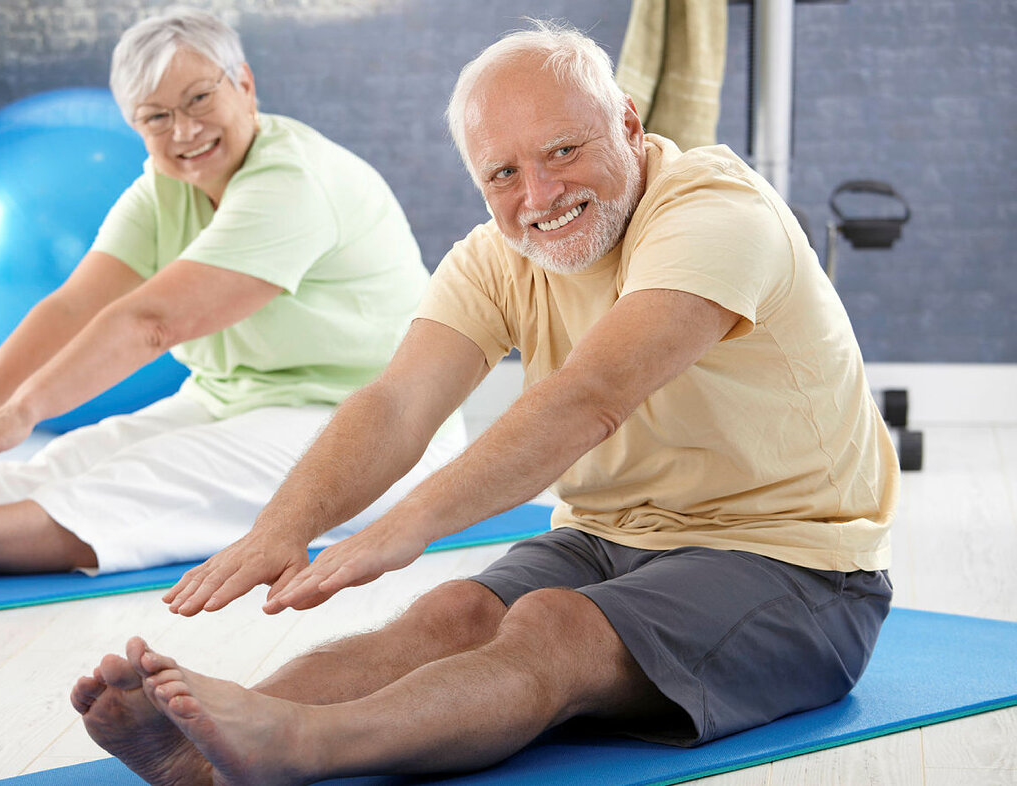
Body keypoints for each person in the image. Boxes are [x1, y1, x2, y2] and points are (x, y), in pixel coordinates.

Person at [71, 19, 897, 785]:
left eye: (564, 151)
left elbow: (590, 398)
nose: (537, 195)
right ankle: (212, 748)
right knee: (449, 612)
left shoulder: (716, 216)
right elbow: (398, 402)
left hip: (798, 571)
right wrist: (287, 525)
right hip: (610, 538)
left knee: (554, 628)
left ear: (631, 126)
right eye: (503, 172)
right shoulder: (497, 257)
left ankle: (299, 749)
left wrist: (408, 524)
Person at [0, 7, 463, 588]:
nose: (183, 132)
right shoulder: (166, 189)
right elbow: (71, 306)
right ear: (134, 125)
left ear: (243, 83)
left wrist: (25, 409)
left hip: (385, 428)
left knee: (164, 474)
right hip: (246, 401)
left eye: (199, 100)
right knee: (82, 453)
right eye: (156, 118)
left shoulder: (291, 183)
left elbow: (152, 322)